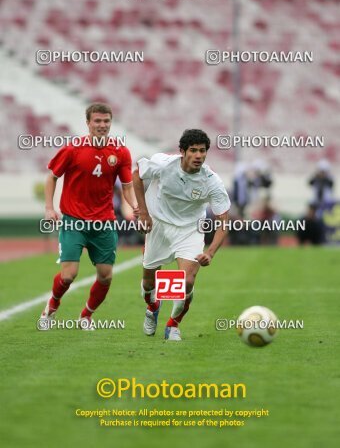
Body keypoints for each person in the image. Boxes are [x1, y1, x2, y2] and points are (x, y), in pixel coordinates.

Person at [40, 103, 138, 329]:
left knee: (105, 276)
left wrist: (134, 205)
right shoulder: (73, 149)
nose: (102, 125)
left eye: (106, 121)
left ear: (111, 122)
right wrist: (48, 207)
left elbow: (127, 186)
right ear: (88, 123)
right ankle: (51, 307)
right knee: (68, 276)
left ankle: (85, 316)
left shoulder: (120, 152)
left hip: (104, 222)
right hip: (74, 221)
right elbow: (52, 177)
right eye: (97, 121)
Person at [133, 129, 231, 341]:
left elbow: (224, 223)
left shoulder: (212, 181)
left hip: (190, 229)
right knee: (149, 285)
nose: (198, 155)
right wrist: (143, 212)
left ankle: (173, 325)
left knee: (186, 280)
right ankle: (153, 307)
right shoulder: (163, 164)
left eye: (202, 151)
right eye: (193, 151)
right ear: (182, 152)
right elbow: (137, 175)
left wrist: (211, 253)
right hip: (158, 224)